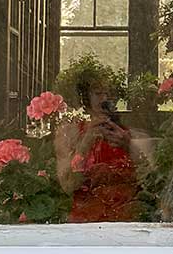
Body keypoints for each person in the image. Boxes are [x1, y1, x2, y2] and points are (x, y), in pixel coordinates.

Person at [55, 74, 154, 222]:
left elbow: (151, 181)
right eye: (98, 93)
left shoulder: (133, 135)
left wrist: (128, 146)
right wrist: (84, 145)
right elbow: (67, 185)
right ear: (86, 99)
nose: (105, 99)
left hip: (128, 219)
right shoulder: (70, 134)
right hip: (85, 219)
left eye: (109, 94)